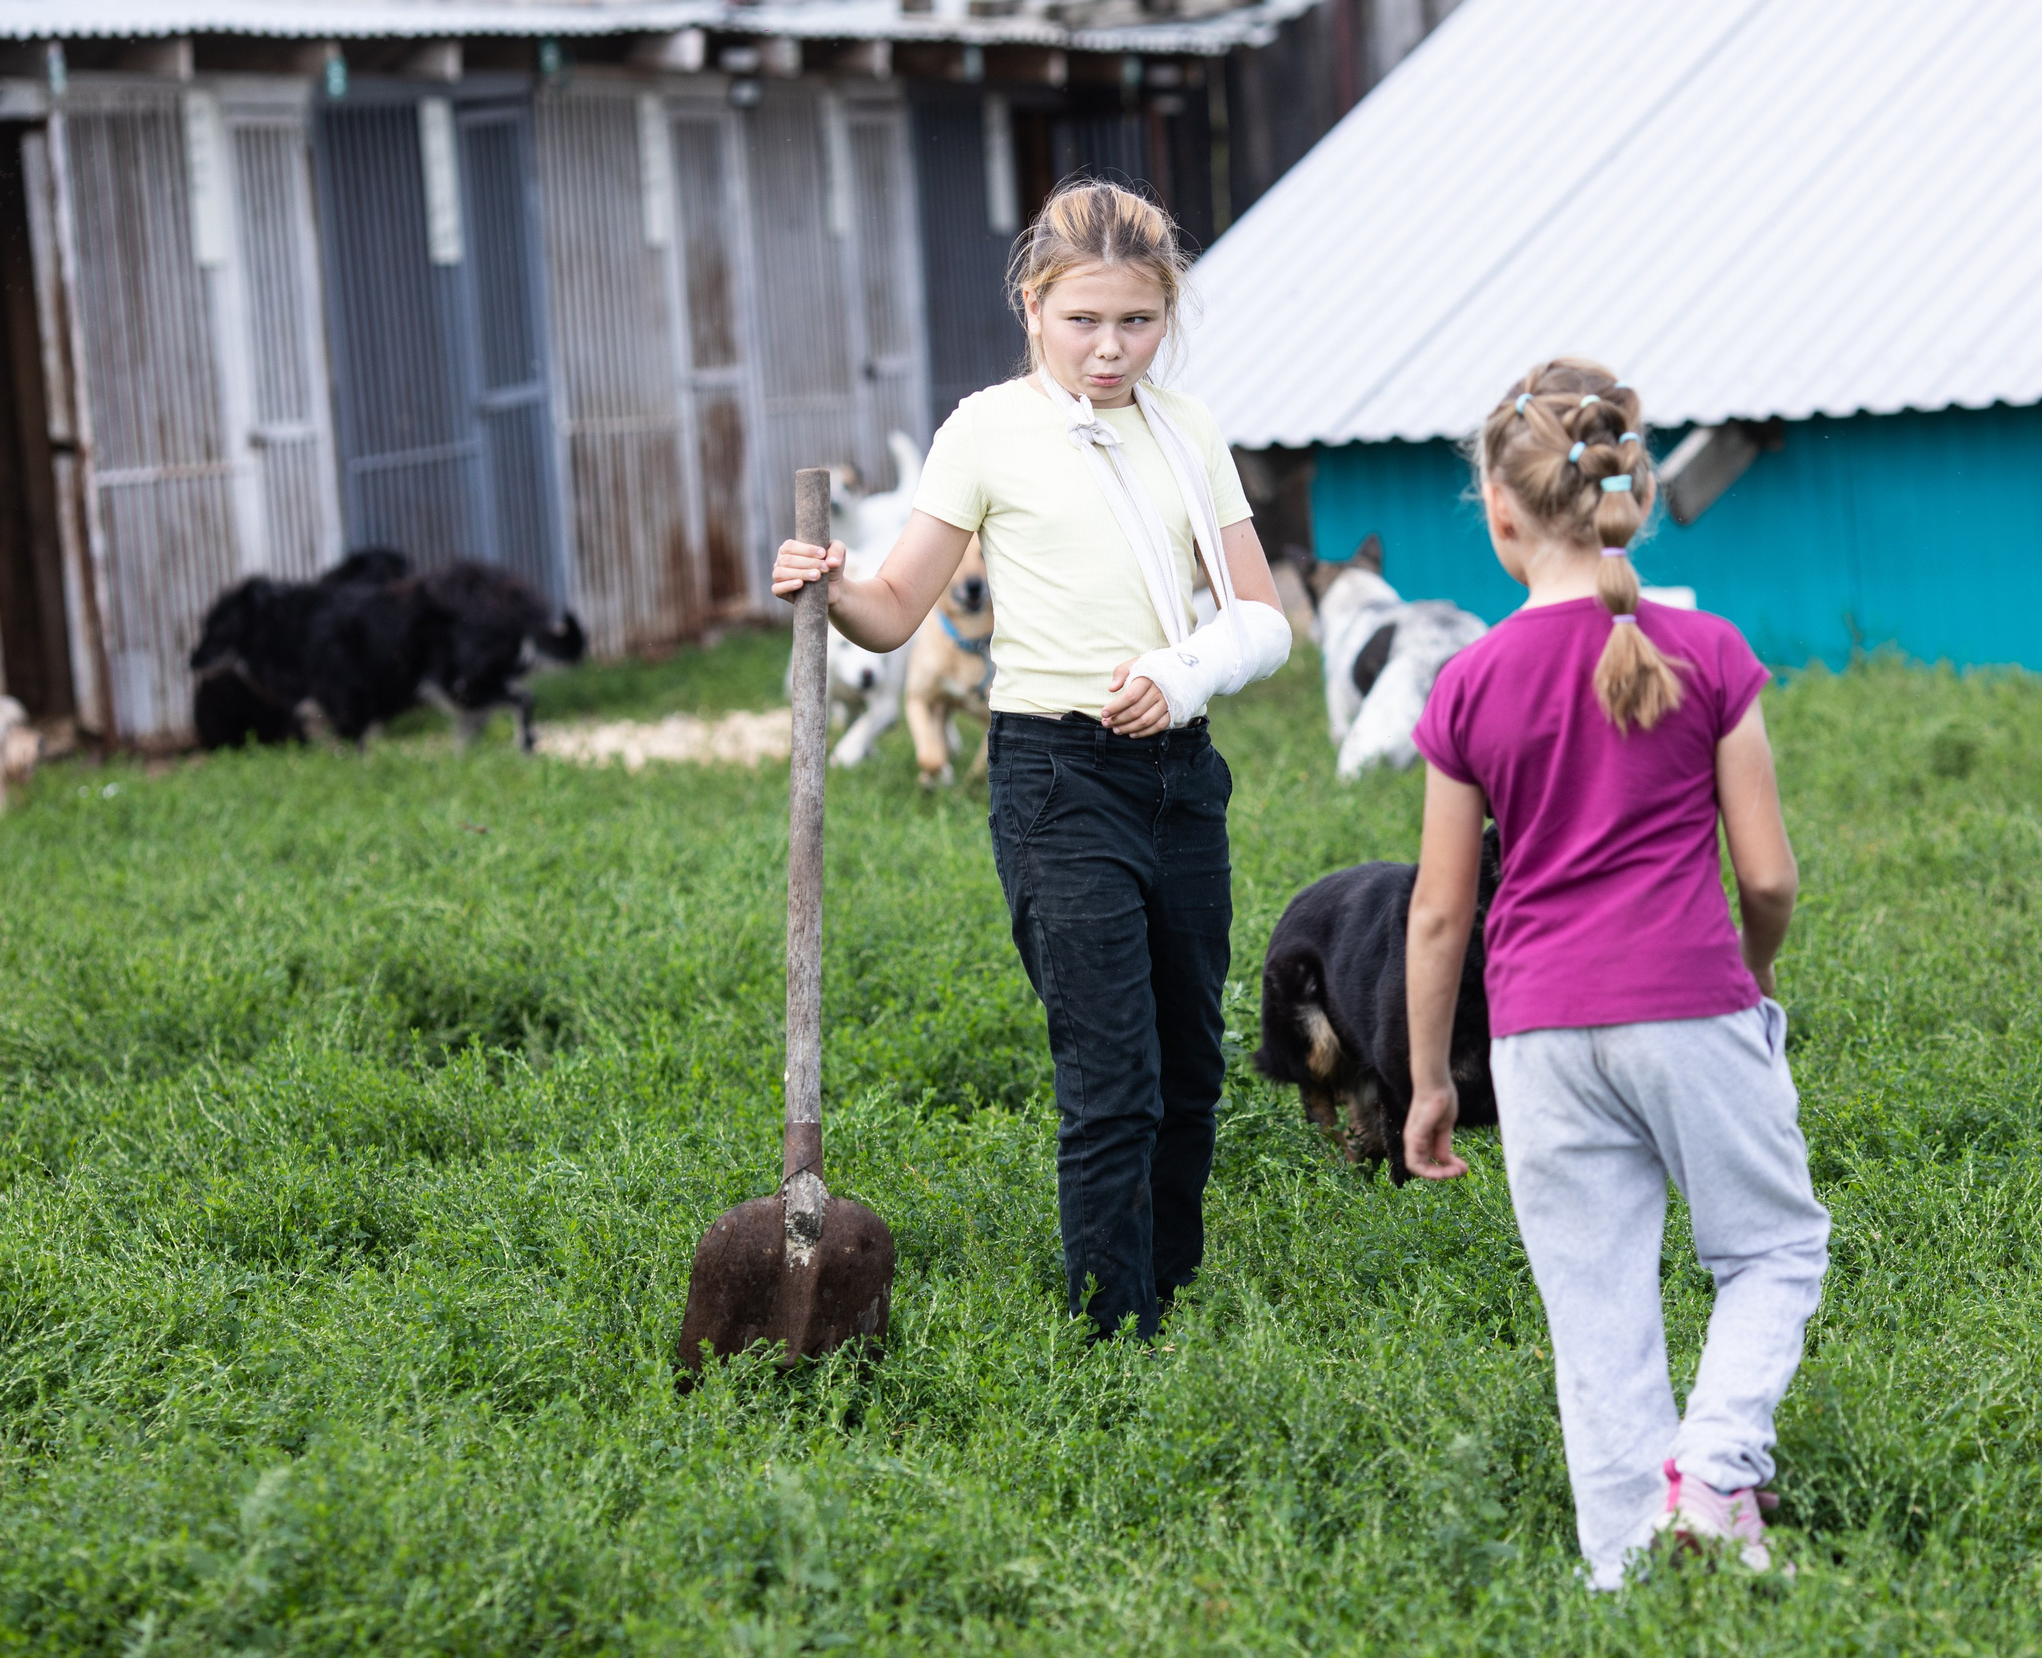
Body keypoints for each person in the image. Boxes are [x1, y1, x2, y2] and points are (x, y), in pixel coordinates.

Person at [772, 180, 1291, 1340]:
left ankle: (1171, 1296)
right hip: (1055, 778)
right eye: (1082, 321)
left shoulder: (1188, 430)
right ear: (1032, 307)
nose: (1110, 348)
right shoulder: (986, 430)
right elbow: (893, 608)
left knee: (1191, 1067)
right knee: (1113, 1075)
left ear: (1166, 315)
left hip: (1180, 774)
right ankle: (1111, 1334)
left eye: (1137, 321)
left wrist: (1186, 672)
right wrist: (833, 586)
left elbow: (1261, 618)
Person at [1399, 359, 1829, 1583]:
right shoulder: (1709, 650)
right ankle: (1716, 1470)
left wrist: (1430, 1080)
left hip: (1535, 1031)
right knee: (1771, 1249)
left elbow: (1439, 911)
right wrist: (1748, 976)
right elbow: (1769, 878)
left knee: (1595, 1317)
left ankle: (1628, 1574)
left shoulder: (1468, 680)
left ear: (1500, 513)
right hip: (1689, 1001)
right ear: (1626, 489)